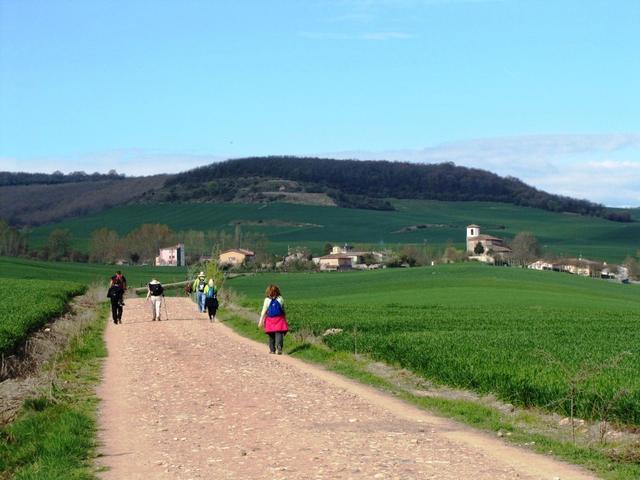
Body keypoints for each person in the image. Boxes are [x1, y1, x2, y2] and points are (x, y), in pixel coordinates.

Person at [258, 284, 289, 355]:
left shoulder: (266, 300)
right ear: (277, 291)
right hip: (279, 319)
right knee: (279, 334)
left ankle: (272, 350)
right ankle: (279, 347)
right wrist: (285, 319)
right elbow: (283, 310)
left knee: (271, 335)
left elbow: (263, 311)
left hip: (270, 320)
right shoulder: (280, 298)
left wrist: (260, 321)